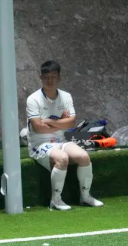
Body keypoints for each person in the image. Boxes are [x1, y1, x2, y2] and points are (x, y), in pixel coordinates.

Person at [26, 60, 103, 210]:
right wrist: (61, 121)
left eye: (53, 77)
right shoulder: (33, 99)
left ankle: (85, 196)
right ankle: (55, 200)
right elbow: (38, 128)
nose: (50, 80)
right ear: (40, 78)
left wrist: (48, 121)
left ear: (59, 78)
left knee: (84, 156)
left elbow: (71, 123)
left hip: (60, 140)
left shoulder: (66, 96)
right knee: (62, 158)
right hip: (39, 144)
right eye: (46, 77)